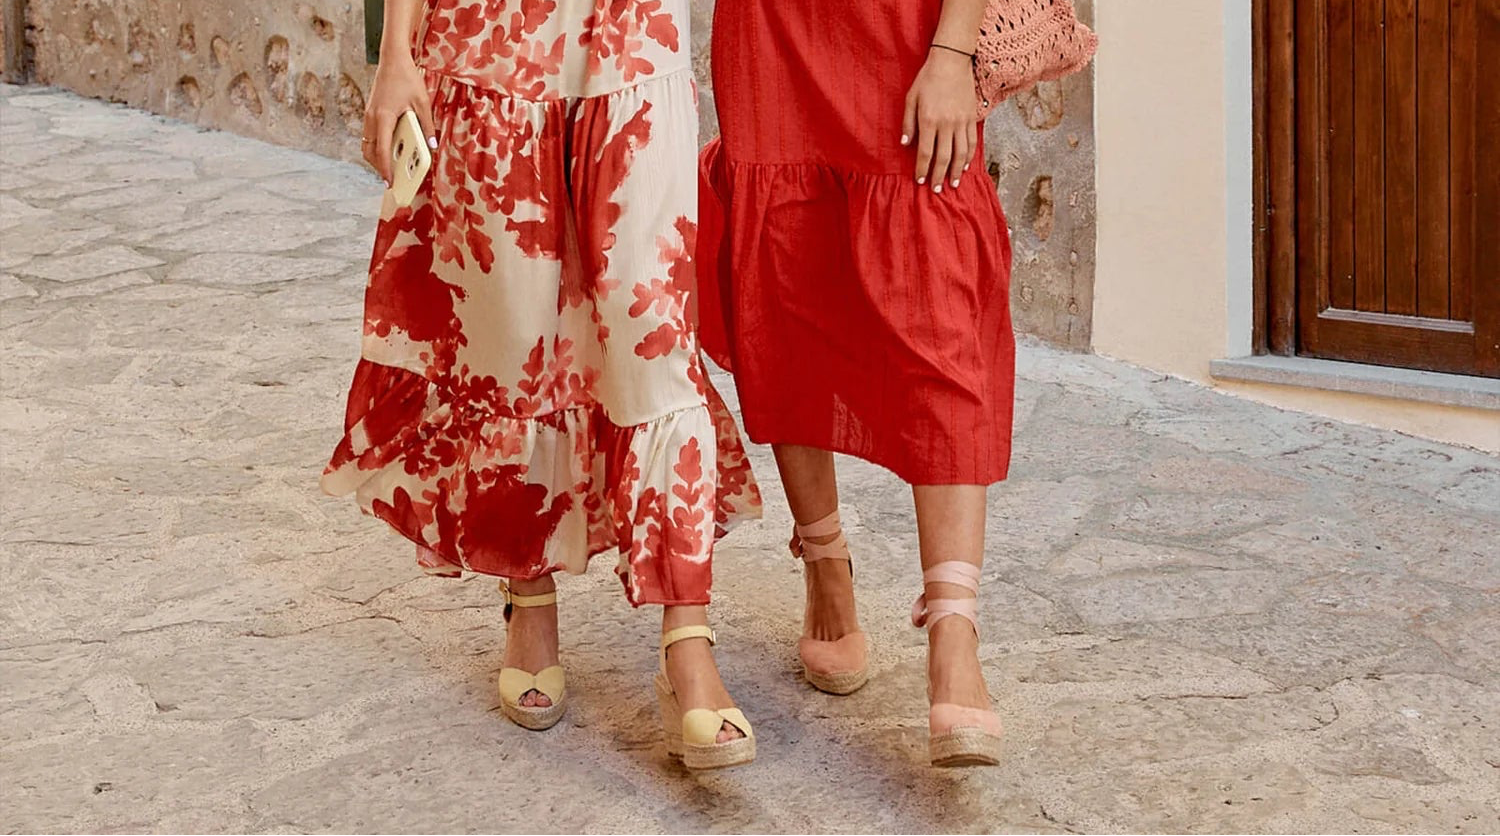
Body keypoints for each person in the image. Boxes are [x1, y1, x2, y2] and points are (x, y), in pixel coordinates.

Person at [322, 0, 762, 770]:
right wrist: (396, 54)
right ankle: (529, 596)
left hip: (633, 38)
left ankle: (686, 639)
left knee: (650, 328)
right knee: (510, 335)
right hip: (487, 42)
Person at [701, 0, 1012, 767]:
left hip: (908, 33)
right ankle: (824, 560)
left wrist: (953, 52)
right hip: (770, 36)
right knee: (787, 286)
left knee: (941, 323)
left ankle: (953, 630)